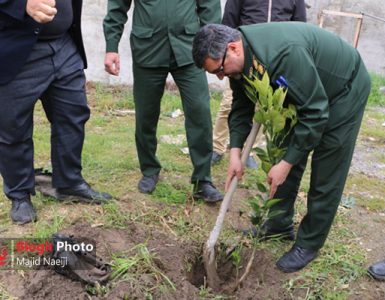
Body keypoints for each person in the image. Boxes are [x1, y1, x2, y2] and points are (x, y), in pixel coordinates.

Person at [192, 23, 371, 272]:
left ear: (232, 48)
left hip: (343, 90)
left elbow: (316, 113)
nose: (221, 77)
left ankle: (309, 243)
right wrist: (234, 154)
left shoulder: (284, 54)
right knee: (284, 147)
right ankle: (279, 224)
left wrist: (287, 165)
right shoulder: (239, 62)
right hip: (302, 92)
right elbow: (241, 108)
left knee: (327, 167)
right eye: (215, 74)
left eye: (220, 70)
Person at [0, 0, 112, 225]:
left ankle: (69, 182)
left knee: (73, 114)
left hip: (64, 44)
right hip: (16, 50)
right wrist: (22, 4)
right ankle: (20, 195)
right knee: (14, 128)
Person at [103, 0, 223, 202]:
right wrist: (111, 46)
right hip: (148, 48)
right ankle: (149, 169)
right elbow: (117, 7)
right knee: (146, 115)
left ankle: (203, 179)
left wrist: (213, 45)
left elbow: (209, 6)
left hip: (188, 48)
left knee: (200, 111)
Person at [211, 0, 307, 167]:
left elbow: (299, 26)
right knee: (230, 104)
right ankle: (217, 147)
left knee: (266, 106)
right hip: (243, 59)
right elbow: (228, 24)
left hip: (275, 60)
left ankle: (249, 150)